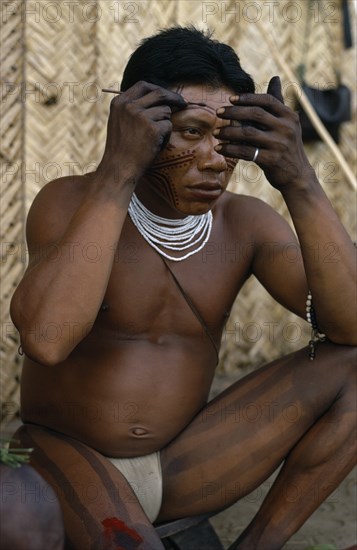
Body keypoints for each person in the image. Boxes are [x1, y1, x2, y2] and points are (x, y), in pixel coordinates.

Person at [10, 26, 356, 550]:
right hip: (68, 455)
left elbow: (351, 326)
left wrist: (300, 179)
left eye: (228, 138)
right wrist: (118, 170)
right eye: (191, 132)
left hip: (184, 463)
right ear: (136, 124)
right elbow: (46, 340)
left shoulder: (246, 223)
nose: (215, 158)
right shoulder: (72, 202)